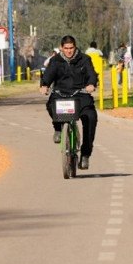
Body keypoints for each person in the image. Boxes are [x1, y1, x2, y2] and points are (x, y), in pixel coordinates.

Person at [39, 35, 99, 170]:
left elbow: (91, 74)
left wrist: (91, 84)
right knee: (50, 105)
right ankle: (58, 128)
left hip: (81, 95)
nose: (69, 51)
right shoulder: (55, 61)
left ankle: (85, 155)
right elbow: (48, 75)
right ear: (61, 48)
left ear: (75, 47)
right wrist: (45, 85)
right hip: (61, 95)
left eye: (71, 48)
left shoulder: (84, 59)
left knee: (91, 118)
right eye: (66, 48)